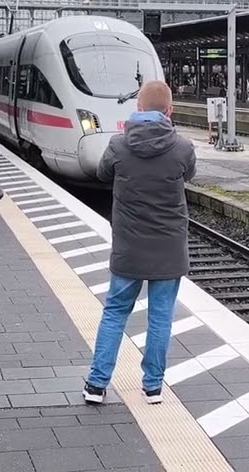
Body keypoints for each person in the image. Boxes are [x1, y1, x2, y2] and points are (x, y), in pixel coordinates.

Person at [84, 80, 196, 406]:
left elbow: (103, 174)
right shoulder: (182, 147)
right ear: (169, 110)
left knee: (115, 312)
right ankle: (152, 388)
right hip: (168, 248)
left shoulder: (119, 145)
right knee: (160, 316)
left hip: (129, 247)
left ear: (138, 108)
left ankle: (96, 384)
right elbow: (188, 174)